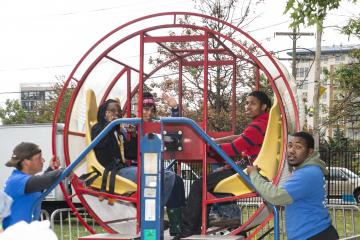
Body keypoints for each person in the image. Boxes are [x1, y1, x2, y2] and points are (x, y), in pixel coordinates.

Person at [175, 90, 271, 238]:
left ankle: (188, 230)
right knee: (211, 184)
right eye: (246, 103)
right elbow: (241, 140)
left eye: (253, 103)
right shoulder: (265, 124)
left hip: (249, 172)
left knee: (198, 185)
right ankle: (210, 223)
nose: (247, 106)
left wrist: (206, 147)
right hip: (253, 169)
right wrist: (216, 143)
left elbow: (233, 148)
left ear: (264, 107)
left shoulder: (257, 126)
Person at [246, 132, 339, 240]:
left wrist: (253, 174)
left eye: (298, 147)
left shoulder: (307, 173)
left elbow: (275, 197)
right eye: (290, 146)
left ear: (310, 152)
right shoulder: (310, 170)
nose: (291, 151)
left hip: (313, 234)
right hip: (316, 232)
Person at [2, 142, 63, 230]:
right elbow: (41, 182)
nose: (43, 160)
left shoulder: (25, 182)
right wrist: (62, 171)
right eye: (39, 158)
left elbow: (39, 186)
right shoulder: (16, 180)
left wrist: (51, 169)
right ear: (26, 162)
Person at [91, 99, 138, 205]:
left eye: (119, 111)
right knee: (147, 175)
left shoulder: (118, 132)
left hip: (122, 169)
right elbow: (100, 144)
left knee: (168, 177)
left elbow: (131, 154)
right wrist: (109, 124)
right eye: (112, 111)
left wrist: (134, 135)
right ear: (105, 114)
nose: (117, 113)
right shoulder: (97, 129)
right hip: (111, 171)